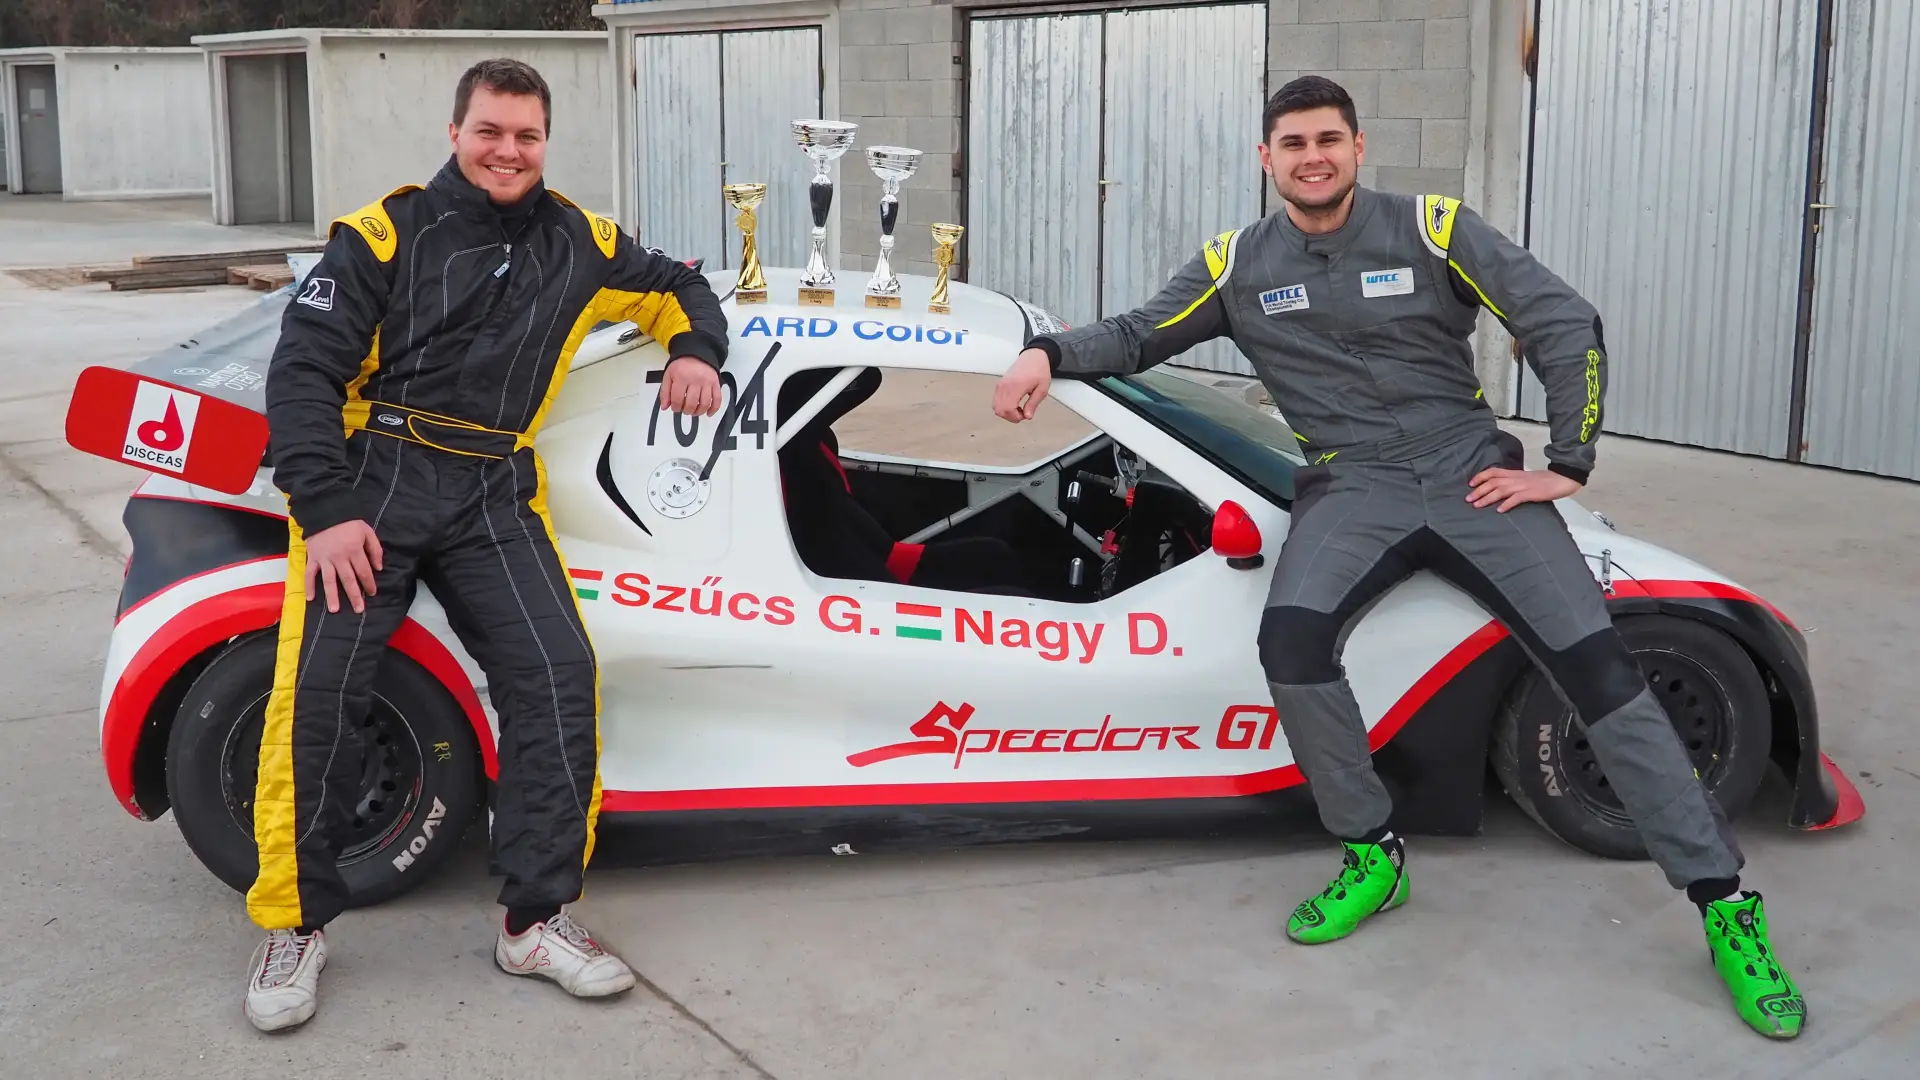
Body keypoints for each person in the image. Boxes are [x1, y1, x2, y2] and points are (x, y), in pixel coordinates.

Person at [990, 75, 1806, 1039]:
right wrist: (1045, 352)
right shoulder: (1236, 263)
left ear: (1358, 145)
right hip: (1354, 485)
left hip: (1471, 474)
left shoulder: (1434, 227)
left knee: (1601, 670)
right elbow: (1137, 334)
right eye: (1293, 144)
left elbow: (1561, 318)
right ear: (1266, 159)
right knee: (1292, 643)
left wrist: (1568, 461)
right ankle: (1372, 852)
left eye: (1328, 139)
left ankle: (1726, 906)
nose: (1313, 158)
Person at [243, 58, 729, 1033]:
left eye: (526, 136)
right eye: (490, 132)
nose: (508, 151)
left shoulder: (582, 239)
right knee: (323, 690)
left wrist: (696, 348)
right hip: (373, 484)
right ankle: (294, 925)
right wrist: (325, 508)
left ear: (546, 141)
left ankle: (535, 920)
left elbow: (679, 284)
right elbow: (301, 372)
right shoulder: (383, 234)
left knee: (557, 673)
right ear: (456, 131)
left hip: (492, 488)